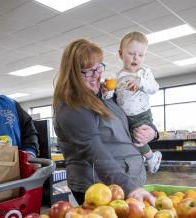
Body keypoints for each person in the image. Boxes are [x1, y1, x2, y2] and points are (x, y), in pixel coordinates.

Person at [53, 39, 157, 205]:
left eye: (98, 67)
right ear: (72, 74)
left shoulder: (106, 94)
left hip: (128, 180)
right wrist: (130, 188)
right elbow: (95, 152)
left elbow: (132, 116)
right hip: (101, 188)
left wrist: (151, 131)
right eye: (86, 72)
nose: (96, 75)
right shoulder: (71, 107)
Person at [113, 31, 162, 173]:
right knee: (131, 140)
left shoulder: (144, 73)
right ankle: (146, 157)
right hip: (125, 118)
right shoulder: (117, 76)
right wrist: (107, 92)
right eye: (131, 54)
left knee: (139, 137)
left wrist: (140, 82)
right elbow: (115, 96)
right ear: (121, 54)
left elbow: (155, 88)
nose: (136, 58)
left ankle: (152, 158)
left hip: (142, 115)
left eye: (141, 55)